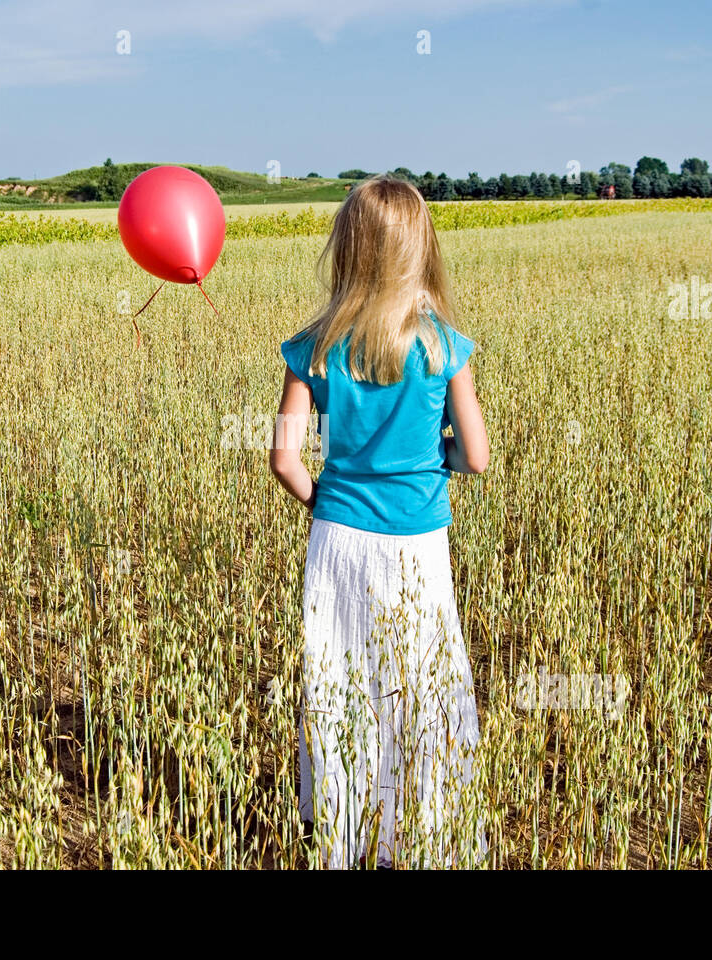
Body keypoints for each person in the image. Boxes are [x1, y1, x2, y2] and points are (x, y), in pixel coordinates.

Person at [269, 174, 490, 869]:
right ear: (418, 248)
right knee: (422, 685)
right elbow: (477, 456)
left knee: (342, 682)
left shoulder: (312, 346)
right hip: (417, 544)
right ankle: (422, 831)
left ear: (348, 248)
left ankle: (345, 831)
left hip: (337, 541)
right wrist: (432, 455)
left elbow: (283, 455)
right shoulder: (443, 346)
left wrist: (326, 499)